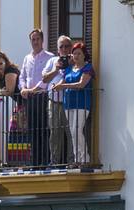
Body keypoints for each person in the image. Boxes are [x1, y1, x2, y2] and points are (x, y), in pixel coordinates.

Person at [51, 42, 94, 166]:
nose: (76, 56)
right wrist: (56, 85)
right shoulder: (69, 69)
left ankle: (84, 158)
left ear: (84, 55)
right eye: (74, 54)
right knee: (72, 131)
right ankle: (77, 159)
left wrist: (62, 86)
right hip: (68, 104)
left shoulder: (88, 68)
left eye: (79, 53)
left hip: (82, 104)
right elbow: (62, 81)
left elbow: (81, 84)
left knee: (77, 130)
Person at [19, 29, 56, 167]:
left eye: (37, 39)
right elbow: (22, 76)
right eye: (33, 39)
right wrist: (23, 88)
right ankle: (34, 162)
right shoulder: (27, 58)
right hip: (30, 98)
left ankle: (45, 160)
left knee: (43, 129)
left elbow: (47, 79)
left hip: (43, 97)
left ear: (42, 40)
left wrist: (34, 89)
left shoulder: (50, 57)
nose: (35, 42)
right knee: (32, 129)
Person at [41, 35, 74, 166]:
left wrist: (72, 64)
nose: (64, 49)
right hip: (54, 102)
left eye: (67, 46)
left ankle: (72, 161)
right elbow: (44, 79)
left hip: (71, 103)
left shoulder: (76, 59)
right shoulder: (52, 61)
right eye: (62, 47)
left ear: (71, 47)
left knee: (72, 133)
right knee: (55, 134)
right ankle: (54, 162)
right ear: (58, 49)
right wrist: (56, 69)